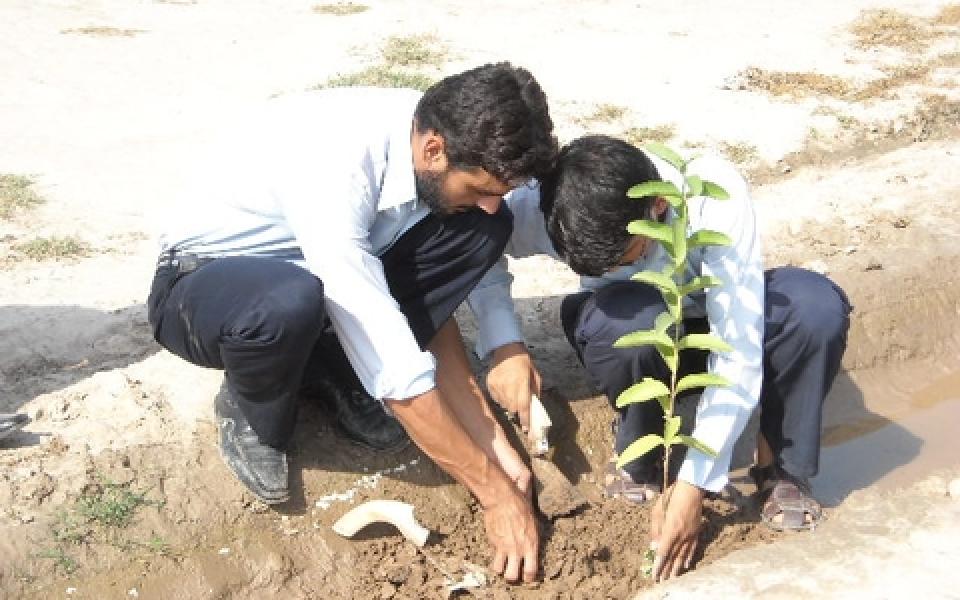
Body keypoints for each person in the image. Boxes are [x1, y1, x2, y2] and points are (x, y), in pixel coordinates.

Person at [147, 62, 557, 583]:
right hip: (207, 284)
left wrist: (492, 441)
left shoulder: (445, 129)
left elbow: (429, 315)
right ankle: (253, 410)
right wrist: (495, 498)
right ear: (434, 151)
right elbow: (394, 362)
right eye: (479, 185)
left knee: (480, 228)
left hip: (319, 277)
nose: (489, 198)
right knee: (286, 304)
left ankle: (329, 368)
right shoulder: (335, 164)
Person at [469, 134, 851, 581]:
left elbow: (739, 345)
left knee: (812, 308)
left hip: (716, 323)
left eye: (625, 256)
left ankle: (780, 469)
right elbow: (478, 249)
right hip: (634, 328)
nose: (613, 268)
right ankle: (640, 453)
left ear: (658, 208)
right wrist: (504, 344)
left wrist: (693, 487)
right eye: (597, 267)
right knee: (629, 321)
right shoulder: (543, 203)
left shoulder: (712, 196)